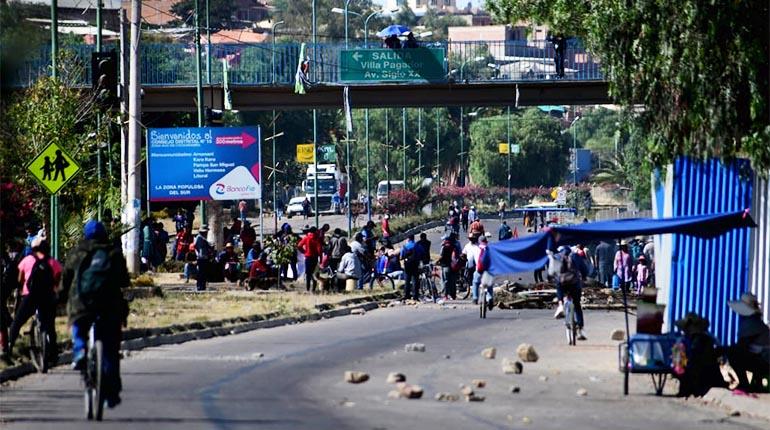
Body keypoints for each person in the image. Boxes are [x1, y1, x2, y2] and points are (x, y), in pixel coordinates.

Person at [61, 220, 129, 408]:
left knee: (78, 325)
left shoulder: (77, 252)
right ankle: (111, 394)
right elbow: (124, 280)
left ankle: (80, 350)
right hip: (109, 306)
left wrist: (60, 297)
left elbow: (66, 280)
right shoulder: (113, 253)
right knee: (110, 351)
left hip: (81, 304)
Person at [4, 237, 61, 365]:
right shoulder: (52, 262)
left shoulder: (27, 260)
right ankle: (53, 353)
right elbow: (57, 278)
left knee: (17, 322)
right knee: (50, 325)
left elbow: (20, 279)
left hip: (30, 297)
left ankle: (9, 348)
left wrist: (22, 287)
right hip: (47, 297)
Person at [725, 293, 770, 392]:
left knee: (734, 355)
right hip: (763, 359)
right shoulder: (757, 322)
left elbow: (742, 346)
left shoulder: (751, 324)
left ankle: (745, 384)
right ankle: (754, 383)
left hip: (763, 361)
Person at [0, 243, 22, 359]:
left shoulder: (4, 257)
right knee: (3, 314)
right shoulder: (5, 255)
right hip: (6, 285)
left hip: (4, 285)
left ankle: (5, 345)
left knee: (2, 316)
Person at [297, 226, 323, 292]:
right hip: (315, 257)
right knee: (314, 273)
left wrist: (304, 251)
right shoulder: (317, 239)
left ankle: (308, 288)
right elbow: (319, 250)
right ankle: (314, 288)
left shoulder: (306, 238)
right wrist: (321, 259)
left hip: (308, 257)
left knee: (308, 274)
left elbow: (299, 246)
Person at [400, 234, 422, 301]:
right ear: (413, 238)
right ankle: (415, 296)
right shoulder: (417, 245)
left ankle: (407, 295)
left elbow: (401, 256)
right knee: (415, 280)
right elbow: (422, 253)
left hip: (407, 265)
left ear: (408, 239)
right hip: (415, 264)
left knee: (407, 280)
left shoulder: (404, 246)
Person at [462, 234, 481, 304]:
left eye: (473, 238)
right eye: (471, 239)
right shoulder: (467, 246)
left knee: (477, 281)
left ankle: (476, 297)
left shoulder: (479, 246)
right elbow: (463, 254)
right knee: (472, 281)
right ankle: (475, 295)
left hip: (478, 266)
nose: (472, 240)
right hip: (470, 266)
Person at [193, 226, 212, 291]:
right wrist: (198, 252)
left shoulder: (203, 238)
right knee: (201, 273)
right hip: (201, 258)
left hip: (205, 257)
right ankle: (199, 286)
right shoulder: (199, 237)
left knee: (204, 273)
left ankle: (203, 286)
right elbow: (195, 246)